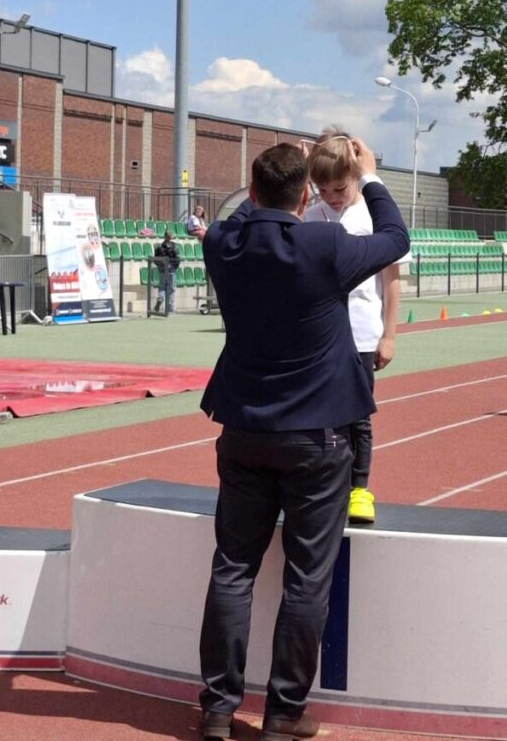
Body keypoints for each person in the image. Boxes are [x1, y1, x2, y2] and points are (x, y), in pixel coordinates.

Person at [198, 139, 409, 741]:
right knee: (306, 578)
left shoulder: (223, 243)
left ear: (253, 191)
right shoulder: (325, 245)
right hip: (317, 436)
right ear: (306, 196)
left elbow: (242, 214)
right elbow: (395, 239)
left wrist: (268, 183)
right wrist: (371, 176)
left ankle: (218, 709)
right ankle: (283, 713)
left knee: (233, 568)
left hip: (244, 429)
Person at [304, 128, 400, 524]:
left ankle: (359, 489)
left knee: (358, 417)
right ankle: (327, 485)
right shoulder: (311, 216)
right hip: (320, 337)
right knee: (319, 415)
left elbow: (391, 280)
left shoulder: (374, 215)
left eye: (339, 188)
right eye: (322, 189)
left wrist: (389, 334)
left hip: (361, 333)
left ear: (355, 175)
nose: (331, 196)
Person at [153, 230, 181, 313]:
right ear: (171, 237)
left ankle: (160, 299)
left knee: (162, 287)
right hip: (171, 270)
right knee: (171, 289)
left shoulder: (159, 247)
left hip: (162, 270)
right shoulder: (174, 247)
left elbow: (155, 259)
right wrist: (174, 268)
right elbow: (177, 259)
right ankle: (170, 308)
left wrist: (160, 267)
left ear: (164, 236)